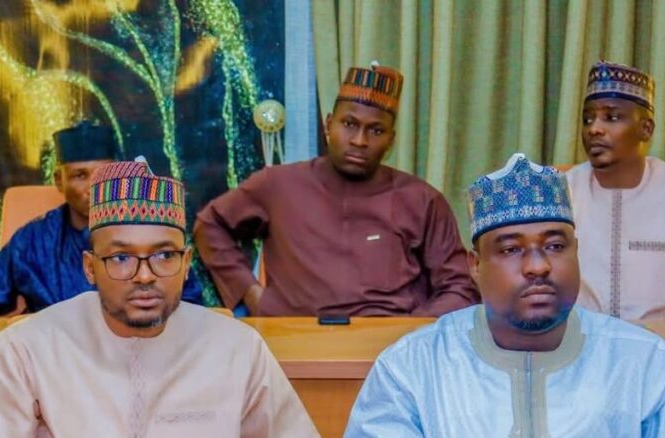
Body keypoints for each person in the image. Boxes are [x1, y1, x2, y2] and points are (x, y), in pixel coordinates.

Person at [0, 159, 331, 438]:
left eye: (164, 256)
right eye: (121, 258)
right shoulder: (27, 350)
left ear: (186, 263)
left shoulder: (237, 348)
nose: (144, 276)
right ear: (89, 268)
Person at [322, 154, 665, 438]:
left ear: (577, 252)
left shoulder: (644, 364)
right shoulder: (414, 368)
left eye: (555, 246)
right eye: (510, 249)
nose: (538, 266)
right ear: (475, 265)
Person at [193, 63, 477, 317]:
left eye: (376, 130)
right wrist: (251, 294)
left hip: (388, 347)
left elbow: (460, 287)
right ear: (329, 125)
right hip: (294, 340)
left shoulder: (421, 199)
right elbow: (210, 225)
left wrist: (410, 334)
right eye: (349, 124)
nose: (359, 140)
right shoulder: (278, 185)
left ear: (390, 140)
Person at [0, 120, 202, 316]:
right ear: (59, 181)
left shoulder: (149, 230)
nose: (94, 186)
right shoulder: (33, 240)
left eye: (104, 174)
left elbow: (190, 306)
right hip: (54, 360)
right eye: (80, 175)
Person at [566, 61, 665, 320]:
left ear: (646, 129)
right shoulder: (562, 192)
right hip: (582, 339)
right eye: (588, 119)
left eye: (612, 117)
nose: (594, 129)